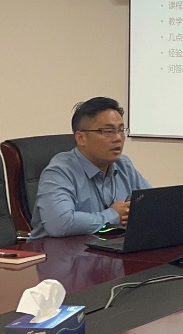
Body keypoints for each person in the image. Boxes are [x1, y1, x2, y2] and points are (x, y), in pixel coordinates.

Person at [30, 97, 151, 239]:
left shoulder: (123, 165)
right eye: (108, 131)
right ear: (81, 138)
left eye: (120, 130)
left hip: (104, 246)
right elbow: (59, 224)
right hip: (55, 251)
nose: (118, 138)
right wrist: (113, 215)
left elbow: (153, 204)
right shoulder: (59, 171)